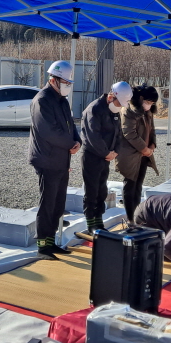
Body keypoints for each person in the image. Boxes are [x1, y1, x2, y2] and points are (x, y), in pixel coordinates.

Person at [28, 60, 81, 260]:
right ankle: (43, 246)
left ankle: (51, 242)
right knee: (48, 203)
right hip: (47, 158)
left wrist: (77, 141)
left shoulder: (62, 101)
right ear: (53, 80)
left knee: (58, 203)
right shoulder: (42, 100)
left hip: (60, 159)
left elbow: (70, 126)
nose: (68, 85)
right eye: (65, 82)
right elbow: (48, 131)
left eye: (69, 82)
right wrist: (70, 144)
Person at [79, 81, 132, 234]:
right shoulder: (94, 109)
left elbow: (118, 133)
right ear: (111, 96)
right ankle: (91, 223)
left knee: (102, 189)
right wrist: (106, 152)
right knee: (92, 190)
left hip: (106, 156)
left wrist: (115, 151)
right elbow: (93, 136)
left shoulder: (113, 111)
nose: (120, 107)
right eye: (119, 103)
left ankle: (98, 220)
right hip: (92, 155)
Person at [116, 84, 159, 221]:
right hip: (129, 154)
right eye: (148, 102)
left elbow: (152, 130)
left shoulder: (148, 112)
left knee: (138, 186)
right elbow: (129, 132)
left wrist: (152, 145)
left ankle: (137, 216)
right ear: (140, 98)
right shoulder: (128, 110)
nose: (149, 105)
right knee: (130, 185)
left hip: (144, 155)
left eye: (152, 103)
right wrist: (144, 149)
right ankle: (131, 218)